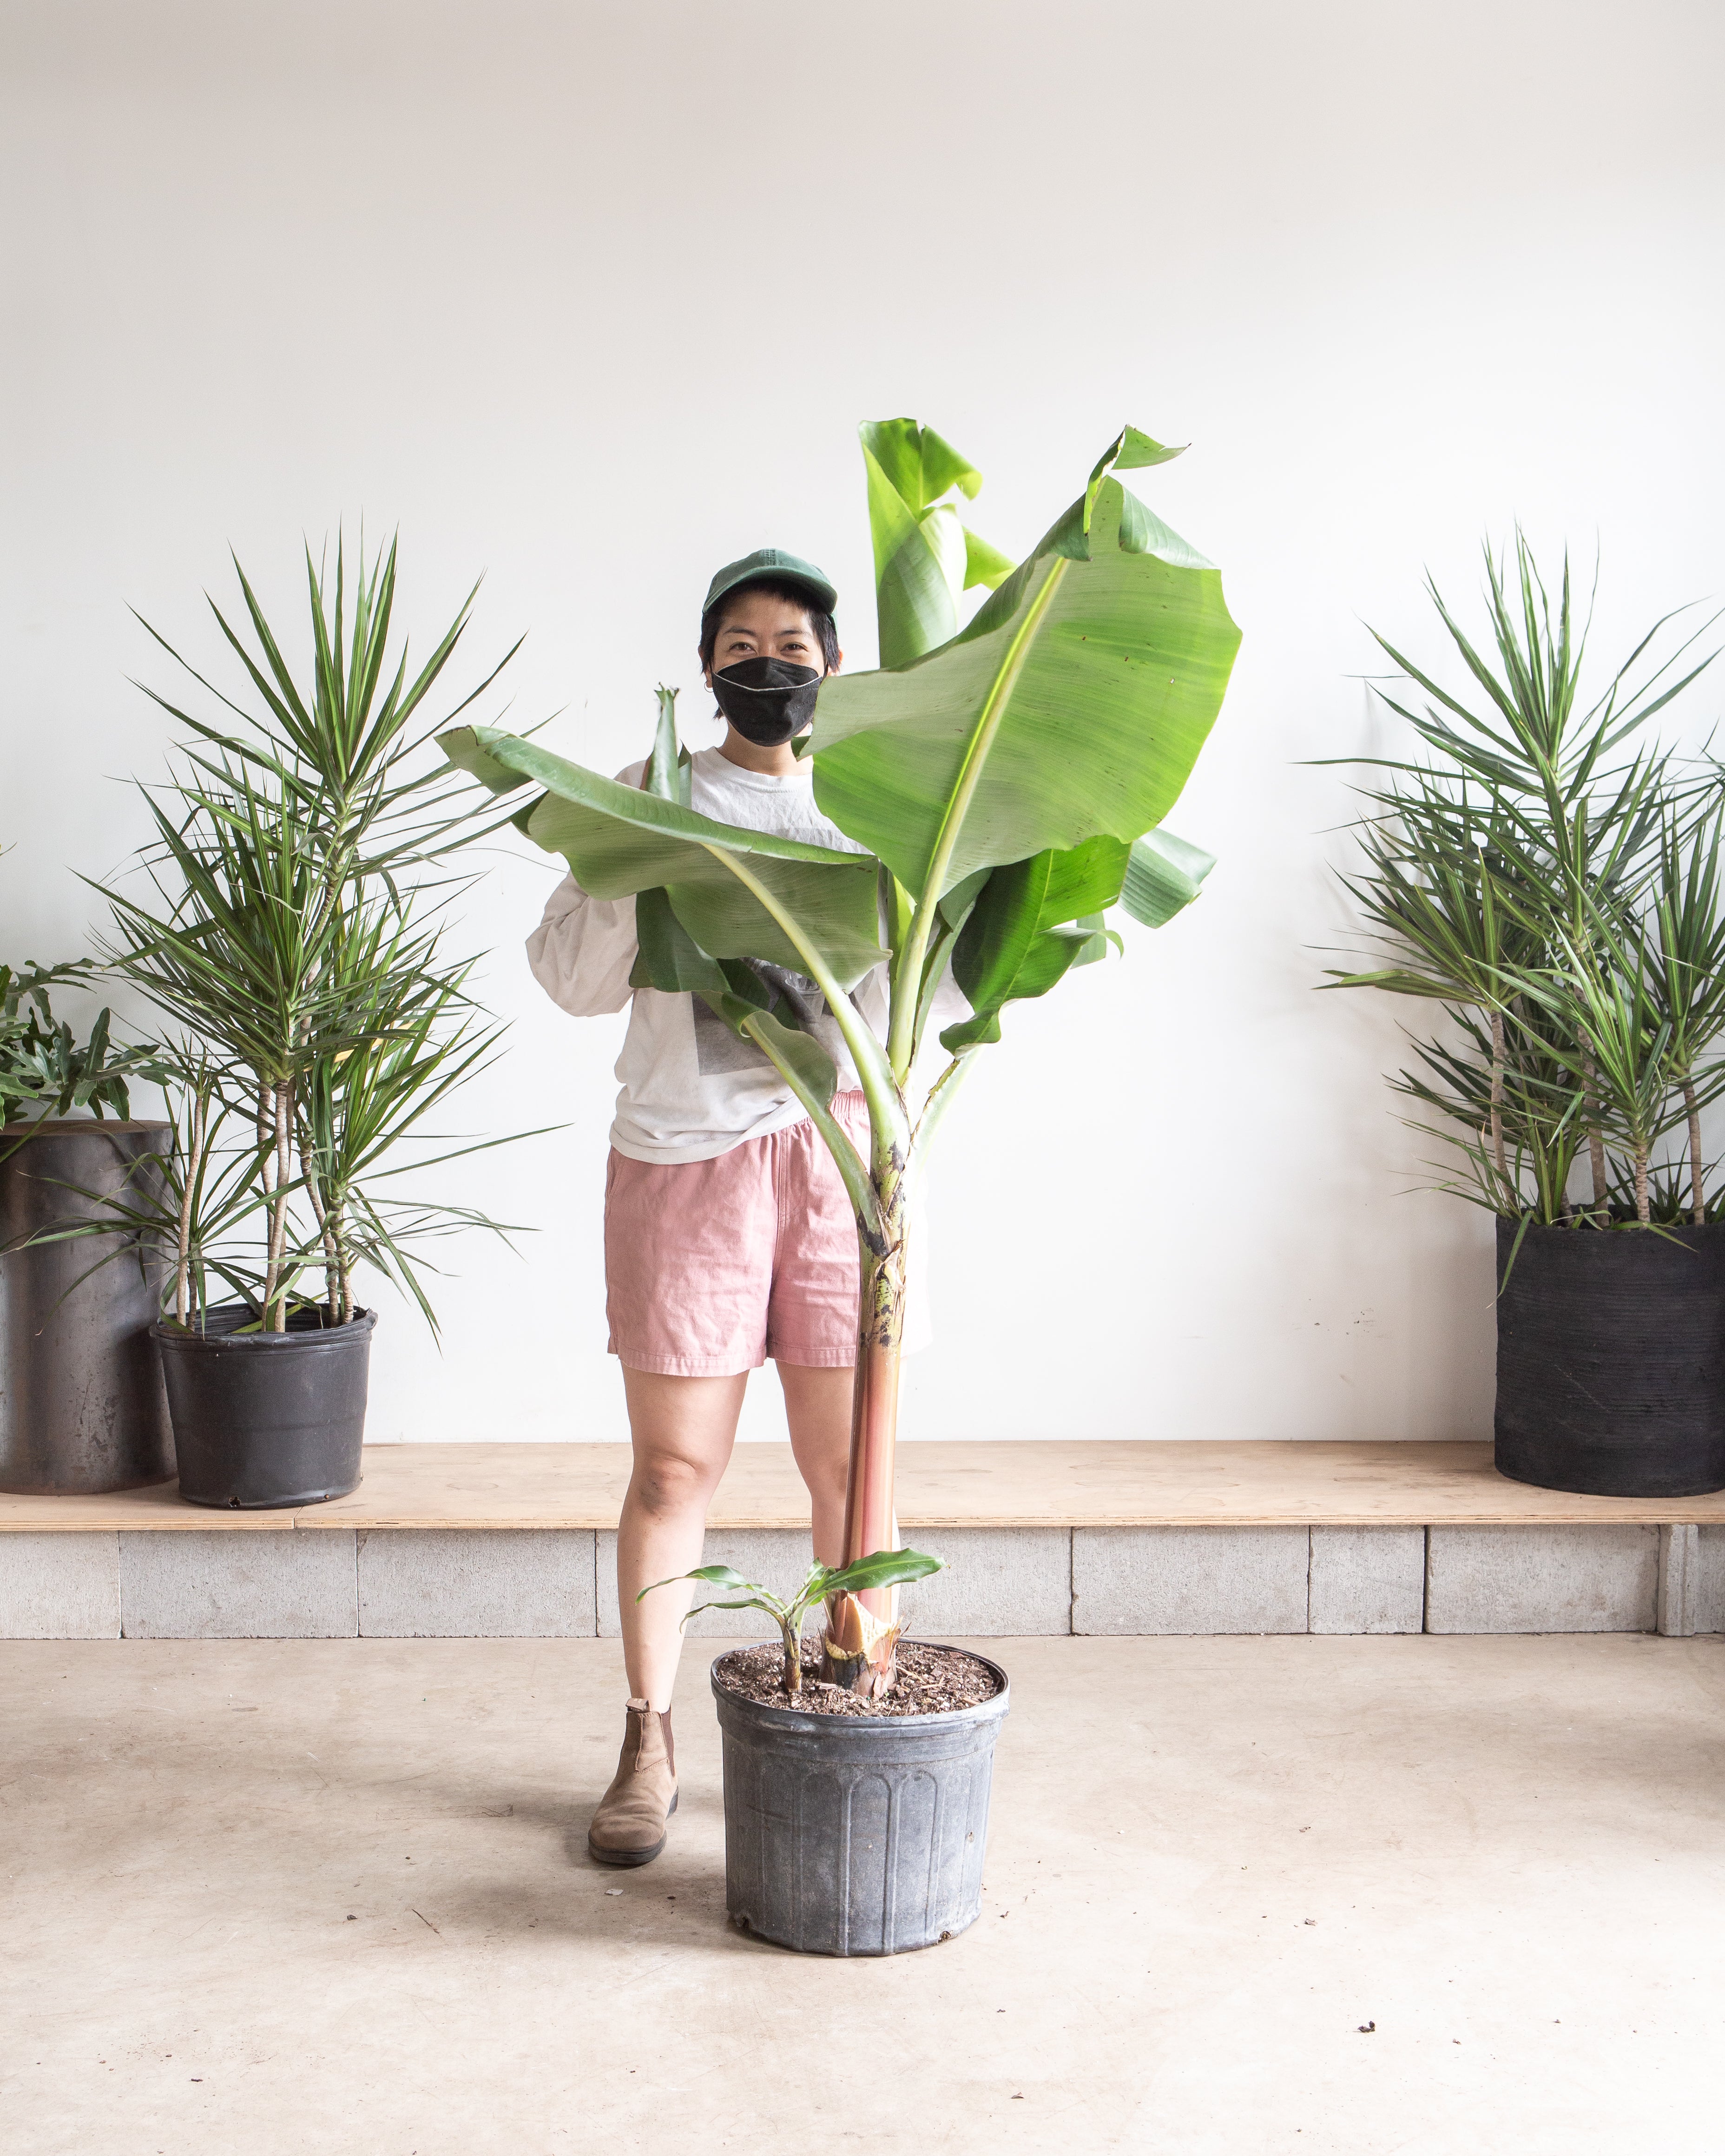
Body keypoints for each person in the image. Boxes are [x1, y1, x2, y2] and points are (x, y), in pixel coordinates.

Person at [528, 548, 910, 1867]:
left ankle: (861, 1710)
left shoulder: (876, 809)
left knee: (850, 1471)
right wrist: (620, 851)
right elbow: (573, 985)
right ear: (706, 668)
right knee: (675, 1469)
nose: (768, 666)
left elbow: (924, 1002)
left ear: (831, 668)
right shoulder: (659, 796)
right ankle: (648, 1734)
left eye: (792, 648)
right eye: (740, 646)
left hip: (838, 1160)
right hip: (685, 1158)